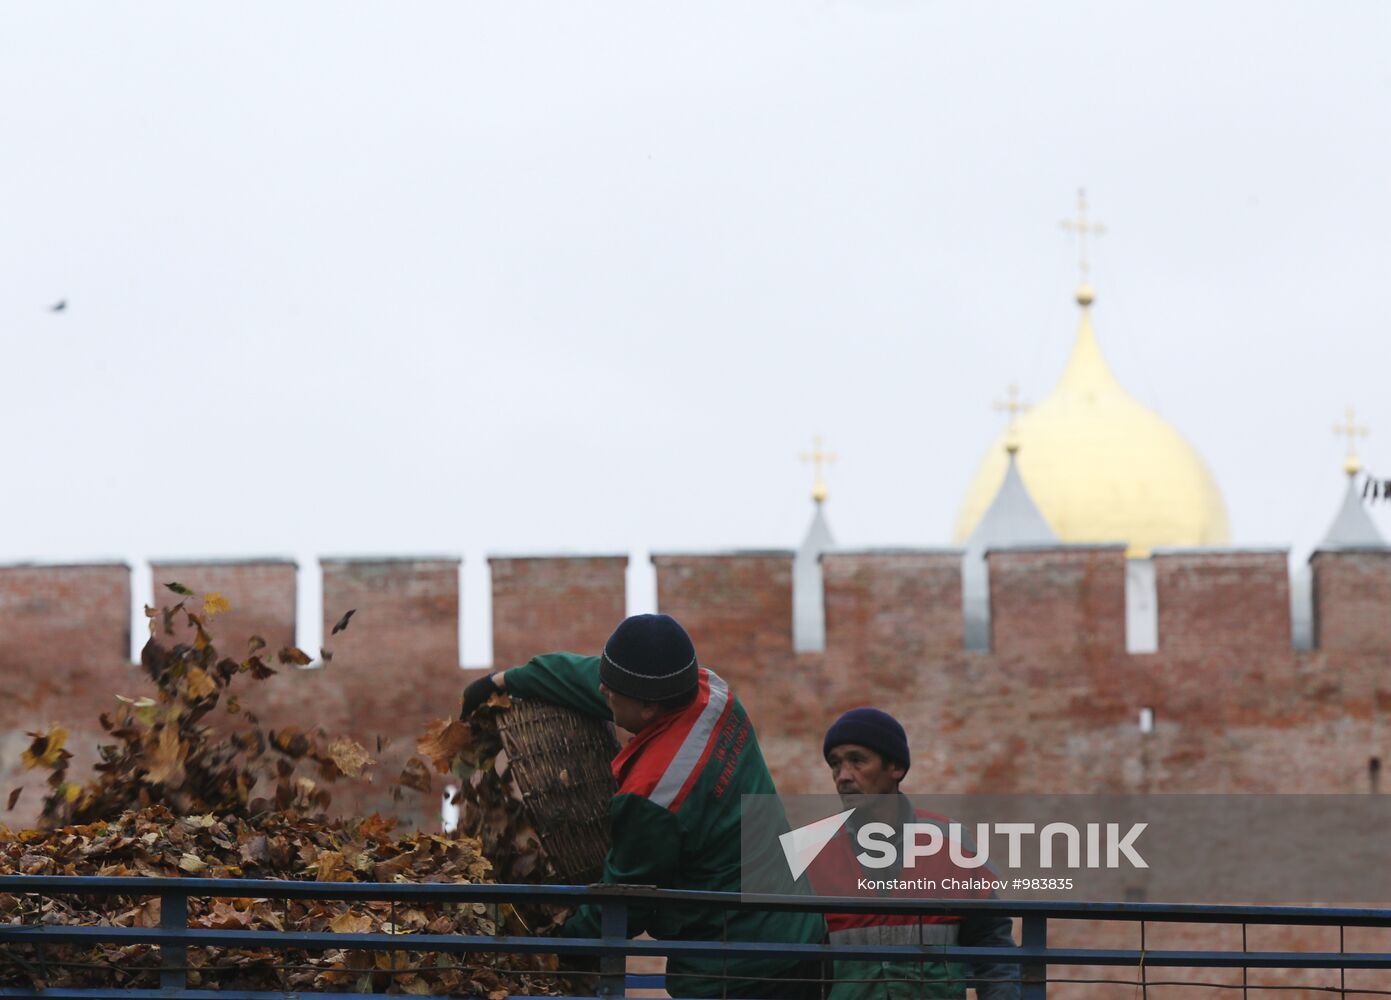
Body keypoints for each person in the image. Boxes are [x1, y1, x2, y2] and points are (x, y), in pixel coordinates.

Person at [460, 613, 825, 999]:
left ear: (649, 708)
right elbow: (594, 680)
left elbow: (625, 901)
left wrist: (547, 943)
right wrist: (502, 681)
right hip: (803, 928)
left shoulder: (655, 793)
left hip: (740, 972)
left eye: (611, 691)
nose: (602, 690)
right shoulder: (712, 694)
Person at [812, 708, 1019, 1000]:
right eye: (835, 764)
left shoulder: (951, 843)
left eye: (857, 761)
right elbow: (790, 961)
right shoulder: (812, 851)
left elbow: (993, 947)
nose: (843, 776)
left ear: (895, 768)